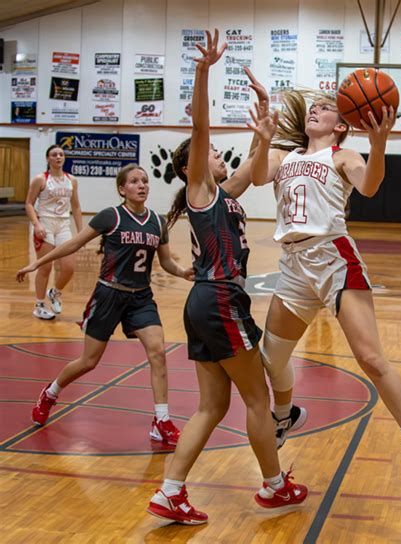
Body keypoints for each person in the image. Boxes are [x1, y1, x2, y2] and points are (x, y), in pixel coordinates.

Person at [146, 30, 307, 526]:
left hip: (205, 302)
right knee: (256, 400)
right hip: (218, 300)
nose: (219, 156)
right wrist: (202, 72)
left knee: (211, 407)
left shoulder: (224, 195)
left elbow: (253, 171)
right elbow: (199, 128)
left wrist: (264, 129)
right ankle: (275, 486)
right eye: (214, 152)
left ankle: (171, 492)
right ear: (195, 163)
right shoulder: (199, 185)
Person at [247, 88, 401, 485]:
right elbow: (256, 177)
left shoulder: (342, 156)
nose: (315, 110)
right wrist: (264, 136)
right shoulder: (284, 157)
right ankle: (285, 415)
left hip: (333, 258)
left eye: (325, 108)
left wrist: (379, 142)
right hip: (294, 264)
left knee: (370, 358)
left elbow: (369, 186)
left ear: (340, 125)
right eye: (313, 107)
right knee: (270, 358)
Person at [17, 163, 193, 446]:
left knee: (158, 352)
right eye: (135, 181)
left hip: (141, 297)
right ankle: (50, 393)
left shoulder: (157, 222)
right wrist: (36, 263)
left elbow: (167, 262)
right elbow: (73, 244)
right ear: (122, 189)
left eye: (145, 181)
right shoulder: (110, 216)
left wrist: (183, 271)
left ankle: (161, 420)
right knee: (89, 361)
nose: (142, 185)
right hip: (108, 295)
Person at [25, 145, 83, 320]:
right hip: (45, 224)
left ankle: (55, 292)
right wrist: (37, 224)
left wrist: (81, 232)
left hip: (63, 225)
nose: (58, 157)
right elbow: (28, 204)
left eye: (61, 154)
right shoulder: (40, 179)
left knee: (69, 267)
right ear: (48, 158)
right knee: (45, 267)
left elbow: (76, 206)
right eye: (54, 154)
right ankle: (39, 305)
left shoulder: (71, 180)